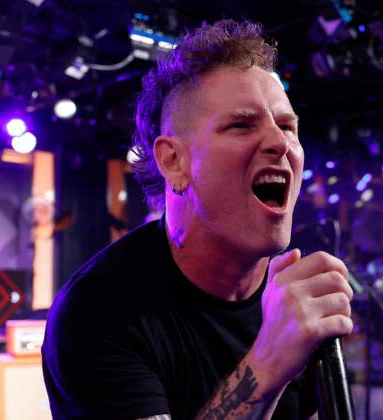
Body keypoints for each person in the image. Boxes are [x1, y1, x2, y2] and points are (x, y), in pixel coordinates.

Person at [42, 20, 353, 419]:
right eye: (241, 124)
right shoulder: (97, 313)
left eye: (287, 126)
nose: (281, 142)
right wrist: (270, 361)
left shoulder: (292, 291)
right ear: (174, 161)